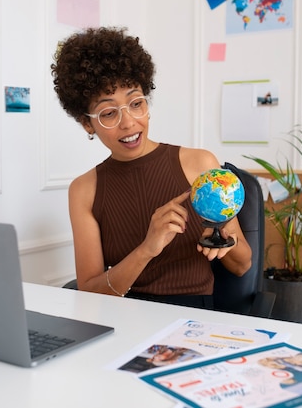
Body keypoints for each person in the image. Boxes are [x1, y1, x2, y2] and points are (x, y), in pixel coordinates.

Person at [51, 26, 252, 309]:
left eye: (136, 103)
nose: (129, 122)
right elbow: (89, 293)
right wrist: (147, 248)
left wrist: (224, 241)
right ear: (87, 123)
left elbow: (243, 266)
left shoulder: (200, 164)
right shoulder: (84, 190)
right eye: (109, 112)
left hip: (193, 319)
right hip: (122, 319)